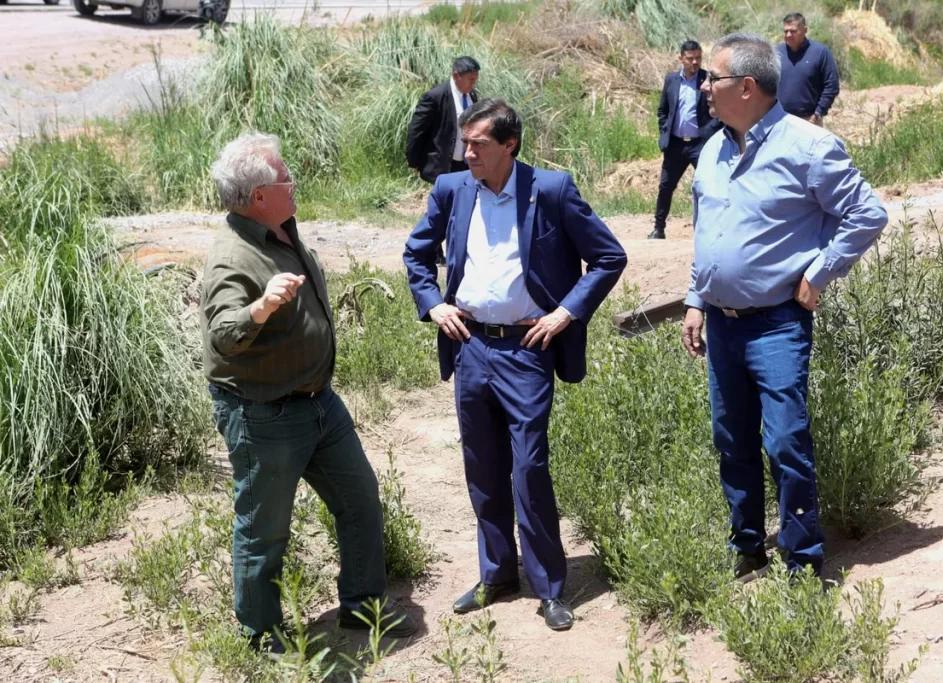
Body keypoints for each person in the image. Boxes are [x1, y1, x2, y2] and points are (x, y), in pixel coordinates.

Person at [404, 99, 626, 630]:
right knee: (482, 467)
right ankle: (497, 573)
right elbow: (416, 253)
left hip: (527, 350)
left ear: (510, 145)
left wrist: (566, 313)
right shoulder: (451, 190)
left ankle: (549, 587)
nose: (466, 152)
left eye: (478, 144)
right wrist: (433, 303)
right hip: (471, 346)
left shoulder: (551, 190)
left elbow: (608, 257)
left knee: (529, 467)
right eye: (465, 142)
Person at [202, 133, 417, 656]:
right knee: (265, 528)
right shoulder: (233, 258)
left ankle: (363, 605)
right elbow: (222, 334)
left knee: (360, 499)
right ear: (258, 196)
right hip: (265, 413)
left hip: (319, 403)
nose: (293, 182)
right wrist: (260, 309)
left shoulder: (281, 231)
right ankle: (259, 634)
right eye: (284, 177)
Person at [683, 34, 887, 581]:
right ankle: (747, 547)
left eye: (713, 80)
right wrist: (696, 299)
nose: (703, 87)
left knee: (785, 442)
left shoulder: (809, 146)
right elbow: (709, 231)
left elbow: (867, 214)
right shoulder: (712, 147)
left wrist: (819, 272)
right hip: (722, 327)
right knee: (732, 440)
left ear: (745, 87)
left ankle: (803, 561)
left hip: (776, 324)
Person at [406, 56, 482, 265]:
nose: (473, 84)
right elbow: (416, 130)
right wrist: (414, 160)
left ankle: (456, 249)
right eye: (470, 79)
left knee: (461, 205)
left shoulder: (472, 96)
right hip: (442, 163)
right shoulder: (436, 96)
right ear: (456, 76)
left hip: (465, 162)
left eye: (475, 79)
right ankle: (430, 249)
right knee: (442, 207)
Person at [649, 39, 721, 240]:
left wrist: (709, 132)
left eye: (698, 58)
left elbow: (719, 110)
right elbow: (663, 110)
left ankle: (712, 230)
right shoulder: (671, 80)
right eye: (690, 59)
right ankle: (658, 228)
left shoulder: (708, 79)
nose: (695, 62)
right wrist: (665, 130)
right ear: (681, 59)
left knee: (710, 186)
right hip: (676, 145)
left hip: (700, 144)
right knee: (665, 187)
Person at [775, 13, 840, 125]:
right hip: (779, 120)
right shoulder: (776, 53)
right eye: (786, 31)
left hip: (809, 120)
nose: (789, 35)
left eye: (793, 31)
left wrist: (818, 113)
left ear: (805, 30)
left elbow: (831, 85)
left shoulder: (820, 52)